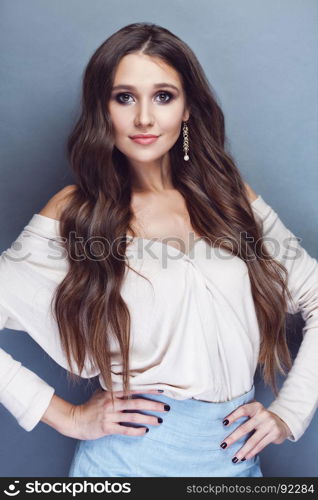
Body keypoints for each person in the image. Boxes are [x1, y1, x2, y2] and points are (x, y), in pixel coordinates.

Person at [0, 22, 317, 478]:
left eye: (163, 96)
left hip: (234, 463)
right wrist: (66, 416)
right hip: (127, 463)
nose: (144, 118)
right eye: (124, 97)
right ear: (102, 109)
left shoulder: (230, 197)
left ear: (188, 109)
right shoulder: (75, 212)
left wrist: (290, 413)